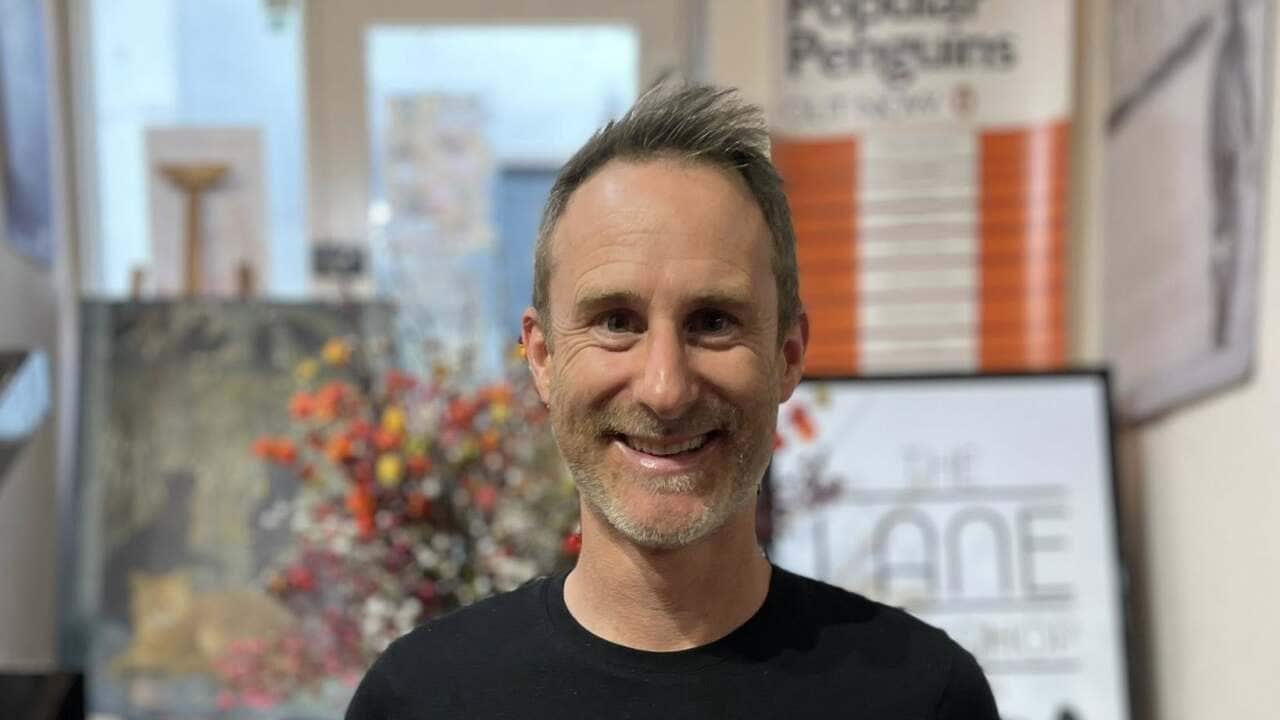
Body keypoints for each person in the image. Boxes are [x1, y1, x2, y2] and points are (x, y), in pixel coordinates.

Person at [345, 84, 999, 719]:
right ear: (542, 358)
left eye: (713, 322)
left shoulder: (922, 696)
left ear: (787, 355)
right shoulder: (420, 700)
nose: (665, 388)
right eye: (616, 321)